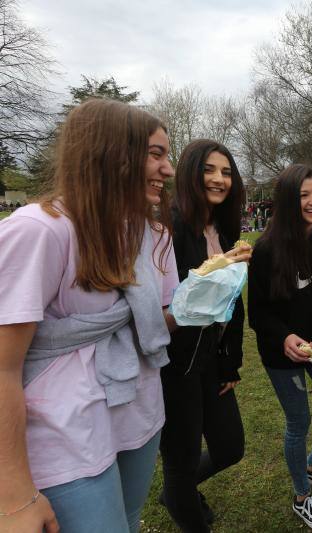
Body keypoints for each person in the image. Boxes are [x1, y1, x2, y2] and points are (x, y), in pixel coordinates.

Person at [0, 99, 179, 532]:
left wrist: (198, 305)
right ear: (111, 154)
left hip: (138, 411)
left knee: (130, 521)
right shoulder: (40, 230)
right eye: (155, 154)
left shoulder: (148, 233)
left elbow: (159, 318)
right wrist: (14, 497)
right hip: (64, 436)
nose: (169, 169)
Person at [248, 164, 312, 531]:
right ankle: (302, 495)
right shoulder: (267, 250)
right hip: (282, 353)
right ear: (289, 200)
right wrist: (286, 337)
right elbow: (257, 313)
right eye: (304, 195)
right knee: (299, 422)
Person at [159, 140, 250, 532]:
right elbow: (173, 302)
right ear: (190, 175)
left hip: (211, 359)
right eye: (209, 170)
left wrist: (230, 358)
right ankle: (183, 500)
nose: (219, 179)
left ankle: (176, 493)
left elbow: (232, 301)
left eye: (226, 172)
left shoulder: (223, 227)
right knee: (181, 461)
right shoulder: (169, 227)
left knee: (230, 448)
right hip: (174, 364)